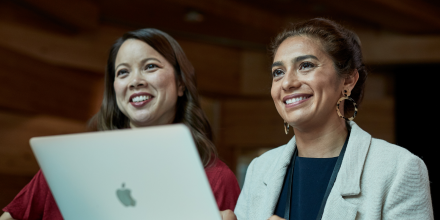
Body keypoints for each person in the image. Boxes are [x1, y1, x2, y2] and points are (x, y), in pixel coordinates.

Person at [0, 28, 240, 220]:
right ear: (114, 89)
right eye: (123, 72)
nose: (135, 81)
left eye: (150, 67)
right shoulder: (69, 165)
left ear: (180, 83)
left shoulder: (217, 178)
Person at [234, 18, 433, 220]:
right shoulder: (259, 169)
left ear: (348, 80)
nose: (287, 83)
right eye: (278, 72)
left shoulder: (398, 169)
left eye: (305, 65)